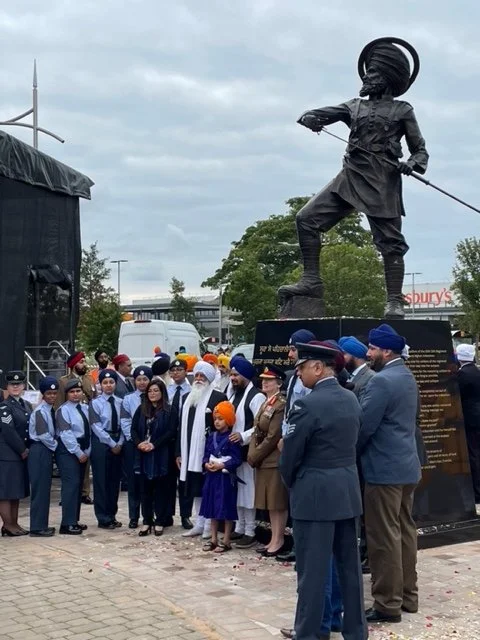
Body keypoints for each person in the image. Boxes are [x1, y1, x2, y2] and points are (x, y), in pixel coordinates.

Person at [278, 38, 428, 319]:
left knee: (391, 241)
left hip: (383, 182)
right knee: (306, 219)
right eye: (368, 70)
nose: (367, 76)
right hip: (349, 178)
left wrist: (412, 164)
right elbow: (317, 114)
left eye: (373, 71)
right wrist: (310, 118)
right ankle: (311, 280)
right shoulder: (353, 106)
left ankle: (394, 299)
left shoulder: (402, 110)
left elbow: (420, 150)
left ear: (385, 78)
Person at [280, 341, 367, 640]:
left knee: (312, 573)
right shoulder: (351, 399)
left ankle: (310, 634)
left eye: (301, 367)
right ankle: (356, 632)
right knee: (349, 570)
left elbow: (290, 457)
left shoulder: (307, 404)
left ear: (318, 368)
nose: (299, 374)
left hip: (314, 494)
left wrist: (292, 482)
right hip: (346, 491)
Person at [359, 323, 421, 624]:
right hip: (407, 467)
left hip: (383, 470)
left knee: (383, 537)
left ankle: (387, 603)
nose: (368, 353)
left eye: (371, 348)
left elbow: (365, 426)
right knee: (405, 533)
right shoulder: (407, 376)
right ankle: (409, 596)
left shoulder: (382, 381)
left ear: (386, 351)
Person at [277, 328, 316, 564]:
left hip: (300, 442)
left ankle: (303, 546)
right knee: (292, 498)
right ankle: (296, 543)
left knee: (301, 499)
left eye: (294, 349)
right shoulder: (294, 376)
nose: (290, 354)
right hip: (288, 438)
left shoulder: (309, 380)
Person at [176, 361, 227, 538]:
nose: (198, 379)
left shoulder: (218, 398)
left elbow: (221, 426)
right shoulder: (186, 397)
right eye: (196, 375)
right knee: (195, 487)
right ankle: (199, 522)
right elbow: (180, 427)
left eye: (202, 376)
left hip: (208, 451)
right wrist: (179, 452)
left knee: (207, 488)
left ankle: (208, 526)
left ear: (209, 378)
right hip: (188, 451)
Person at [247, 366, 288, 557]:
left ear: (278, 382)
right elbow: (257, 430)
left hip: (273, 459)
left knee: (277, 502)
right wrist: (253, 453)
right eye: (263, 379)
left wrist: (255, 455)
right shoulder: (266, 402)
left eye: (269, 380)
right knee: (269, 502)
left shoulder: (280, 403)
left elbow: (273, 436)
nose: (264, 382)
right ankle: (273, 538)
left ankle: (279, 539)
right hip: (264, 460)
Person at [227, 356, 265, 548]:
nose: (232, 378)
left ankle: (250, 530)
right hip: (234, 451)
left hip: (247, 449)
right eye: (231, 374)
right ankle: (240, 527)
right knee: (238, 490)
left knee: (248, 490)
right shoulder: (233, 394)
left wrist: (243, 436)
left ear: (246, 376)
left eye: (236, 375)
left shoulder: (256, 396)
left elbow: (260, 425)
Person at [132, 379, 175, 536]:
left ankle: (160, 521)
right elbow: (134, 429)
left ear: (162, 392)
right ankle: (147, 521)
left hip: (161, 454)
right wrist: (139, 443)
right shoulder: (141, 409)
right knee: (145, 490)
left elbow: (171, 432)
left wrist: (154, 445)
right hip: (143, 454)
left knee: (161, 489)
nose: (152, 394)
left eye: (156, 390)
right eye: (150, 391)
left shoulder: (170, 410)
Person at [200, 401, 242, 553]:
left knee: (225, 507)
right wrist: (206, 464)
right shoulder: (212, 436)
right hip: (212, 477)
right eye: (215, 418)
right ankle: (213, 538)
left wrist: (223, 465)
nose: (217, 421)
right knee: (212, 506)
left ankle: (226, 540)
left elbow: (237, 459)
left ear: (229, 420)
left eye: (221, 418)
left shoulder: (232, 438)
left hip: (225, 479)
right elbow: (205, 454)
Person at [56, 351, 96, 505]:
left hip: (84, 420)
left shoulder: (88, 379)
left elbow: (93, 398)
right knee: (69, 467)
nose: (84, 364)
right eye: (81, 362)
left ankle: (84, 492)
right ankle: (67, 495)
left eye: (84, 361)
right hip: (69, 423)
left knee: (85, 464)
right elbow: (59, 402)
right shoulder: (64, 381)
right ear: (73, 364)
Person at [89, 370, 124, 529]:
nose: (108, 385)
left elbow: (124, 423)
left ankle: (112, 514)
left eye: (111, 382)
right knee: (101, 481)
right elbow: (96, 426)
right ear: (100, 385)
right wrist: (112, 444)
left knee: (114, 481)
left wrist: (120, 442)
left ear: (115, 384)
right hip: (102, 443)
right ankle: (103, 517)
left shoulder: (120, 402)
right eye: (105, 383)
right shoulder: (95, 403)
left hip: (117, 439)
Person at [55, 379, 91, 535]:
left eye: (78, 391)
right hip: (68, 450)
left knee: (78, 486)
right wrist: (78, 452)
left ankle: (74, 520)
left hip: (84, 448)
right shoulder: (63, 410)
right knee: (71, 485)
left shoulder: (85, 408)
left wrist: (87, 451)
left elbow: (90, 430)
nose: (76, 394)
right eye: (72, 392)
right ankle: (67, 523)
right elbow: (66, 433)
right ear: (67, 394)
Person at [121, 366, 153, 528]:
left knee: (149, 481)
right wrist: (136, 442)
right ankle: (133, 516)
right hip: (133, 445)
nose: (141, 382)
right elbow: (125, 422)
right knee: (133, 482)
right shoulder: (128, 399)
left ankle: (149, 516)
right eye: (138, 379)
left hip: (151, 445)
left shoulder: (155, 398)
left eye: (145, 379)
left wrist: (148, 442)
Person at [0, 373, 31, 537]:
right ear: (7, 387)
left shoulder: (26, 405)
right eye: (12, 384)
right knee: (5, 492)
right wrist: (23, 450)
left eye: (19, 384)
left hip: (20, 454)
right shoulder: (4, 407)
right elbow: (8, 431)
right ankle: (8, 524)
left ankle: (14, 523)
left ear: (24, 386)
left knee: (16, 491)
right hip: (8, 454)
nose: (16, 387)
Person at [28, 376, 59, 537]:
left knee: (45, 488)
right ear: (43, 394)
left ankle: (42, 524)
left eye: (54, 393)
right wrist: (57, 447)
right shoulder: (40, 411)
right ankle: (37, 527)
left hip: (45, 450)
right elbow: (43, 434)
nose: (52, 396)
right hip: (40, 450)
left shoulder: (49, 410)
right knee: (40, 489)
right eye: (49, 393)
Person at [167, 359, 193, 529]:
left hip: (184, 439)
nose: (176, 373)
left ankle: (185, 515)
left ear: (186, 371)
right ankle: (167, 514)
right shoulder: (167, 391)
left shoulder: (192, 391)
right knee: (167, 479)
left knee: (185, 480)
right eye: (173, 370)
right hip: (167, 440)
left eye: (179, 369)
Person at [456, 343, 480, 503]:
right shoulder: (476, 371)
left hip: (470, 420)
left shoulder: (462, 375)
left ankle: (477, 491)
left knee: (473, 454)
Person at [339, 336, 374, 401]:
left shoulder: (371, 377)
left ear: (356, 355)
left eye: (344, 354)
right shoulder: (347, 375)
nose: (341, 358)